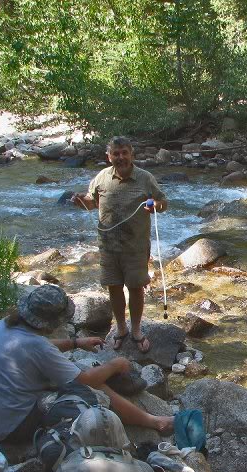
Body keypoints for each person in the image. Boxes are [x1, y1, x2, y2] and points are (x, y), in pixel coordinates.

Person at [0, 284, 173, 443]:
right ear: (52, 322)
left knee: (72, 378)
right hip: (12, 429)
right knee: (93, 389)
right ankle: (154, 422)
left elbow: (38, 347)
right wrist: (116, 365)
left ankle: (148, 417)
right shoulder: (38, 347)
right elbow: (86, 381)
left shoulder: (6, 325)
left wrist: (75, 343)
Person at [71, 136, 167, 352]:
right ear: (109, 156)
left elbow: (163, 203)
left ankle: (136, 330)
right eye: (116, 153)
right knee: (114, 287)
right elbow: (92, 203)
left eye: (124, 152)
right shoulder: (101, 178)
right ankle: (121, 329)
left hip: (136, 246)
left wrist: (155, 206)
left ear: (131, 154)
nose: (121, 157)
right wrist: (81, 201)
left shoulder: (145, 178)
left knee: (136, 288)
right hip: (108, 246)